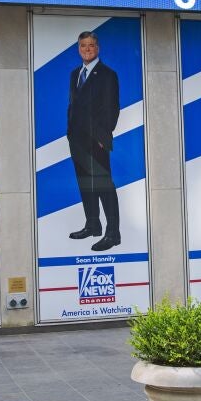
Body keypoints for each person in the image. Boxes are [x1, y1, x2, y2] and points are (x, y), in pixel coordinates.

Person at [67, 30, 122, 252]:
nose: (87, 50)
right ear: (79, 49)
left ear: (97, 48)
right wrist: (69, 131)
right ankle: (93, 224)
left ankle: (113, 233)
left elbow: (112, 108)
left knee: (103, 186)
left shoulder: (108, 74)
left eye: (91, 46)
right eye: (83, 46)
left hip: (96, 140)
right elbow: (73, 105)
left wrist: (103, 136)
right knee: (85, 184)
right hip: (77, 138)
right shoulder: (75, 74)